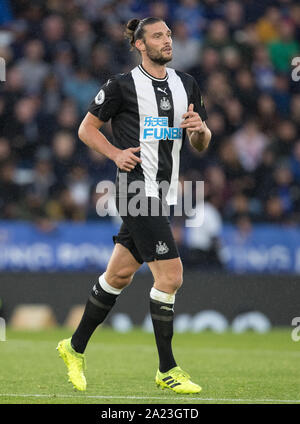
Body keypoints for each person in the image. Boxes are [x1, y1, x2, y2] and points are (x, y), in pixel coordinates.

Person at [57, 17, 211, 394]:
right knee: (170, 277)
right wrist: (114, 154)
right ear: (140, 45)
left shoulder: (187, 84)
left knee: (118, 276)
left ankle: (73, 347)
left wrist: (201, 130)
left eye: (169, 35)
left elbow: (200, 144)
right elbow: (85, 129)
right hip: (135, 190)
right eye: (158, 36)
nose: (167, 41)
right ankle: (166, 369)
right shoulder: (121, 86)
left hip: (165, 193)